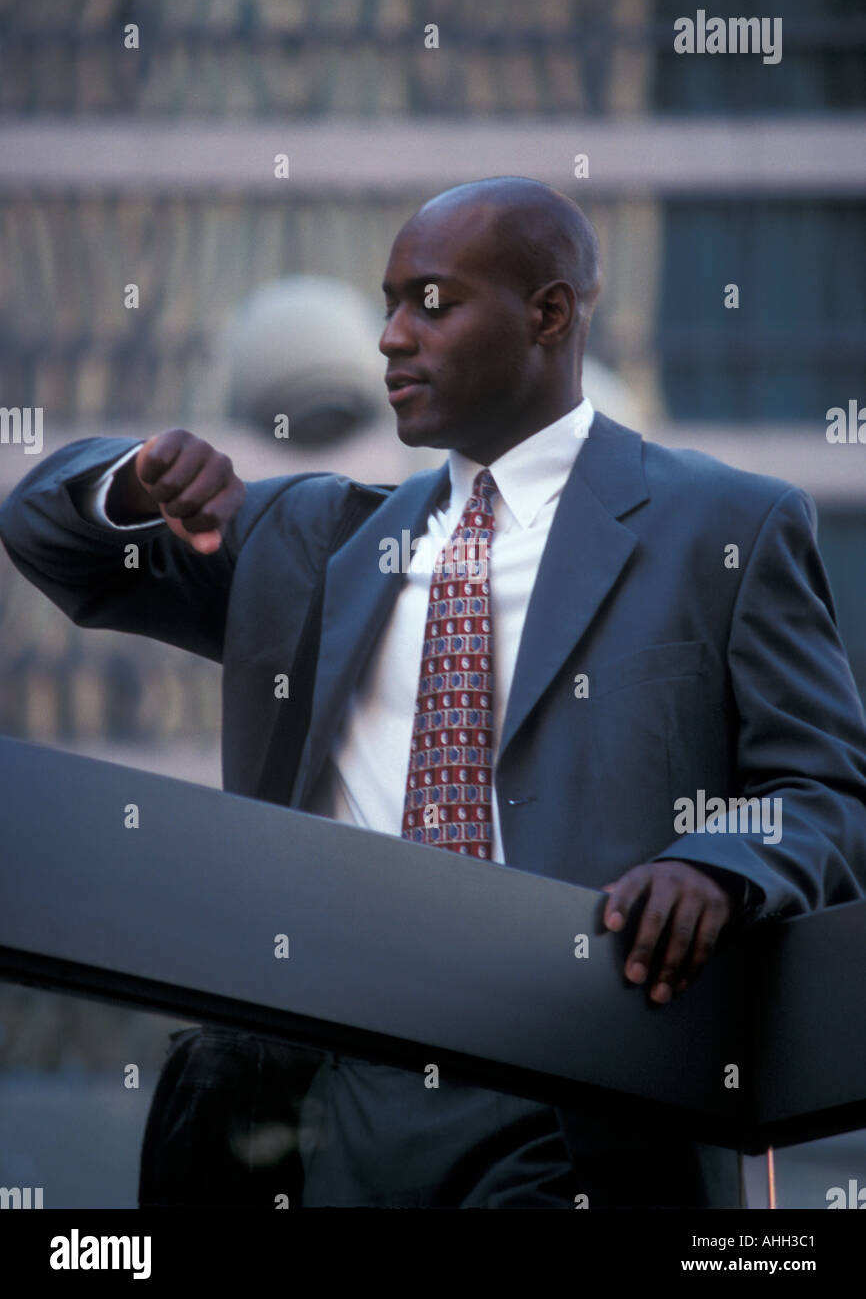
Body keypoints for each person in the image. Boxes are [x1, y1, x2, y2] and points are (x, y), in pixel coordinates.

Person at [2, 176, 865, 1209]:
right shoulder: (314, 541)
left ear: (546, 315)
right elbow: (52, 539)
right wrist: (129, 479)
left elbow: (825, 790)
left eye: (431, 303)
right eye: (385, 304)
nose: (389, 338)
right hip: (317, 1098)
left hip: (581, 1085)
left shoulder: (724, 525)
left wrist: (716, 865)